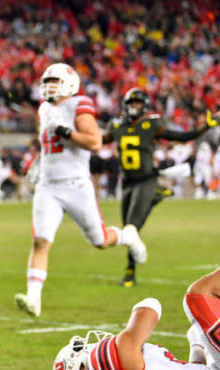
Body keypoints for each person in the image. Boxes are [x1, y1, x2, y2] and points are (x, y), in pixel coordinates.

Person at [14, 63, 146, 318]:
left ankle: (127, 235)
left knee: (99, 240)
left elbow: (94, 141)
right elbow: (50, 145)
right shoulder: (44, 108)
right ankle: (33, 298)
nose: (49, 86)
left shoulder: (79, 104)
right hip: (48, 185)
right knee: (40, 240)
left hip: (76, 185)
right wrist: (38, 162)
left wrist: (65, 131)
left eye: (55, 81)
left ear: (69, 84)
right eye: (47, 81)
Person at [53, 255, 220, 370]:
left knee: (201, 331)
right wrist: (147, 306)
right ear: (78, 368)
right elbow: (148, 310)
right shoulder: (101, 365)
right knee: (198, 297)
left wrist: (197, 346)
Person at [102, 88, 220, 287]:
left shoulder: (151, 124)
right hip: (128, 182)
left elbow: (181, 137)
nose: (133, 107)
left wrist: (204, 127)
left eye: (137, 103)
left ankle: (130, 272)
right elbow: (97, 140)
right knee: (129, 230)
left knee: (132, 228)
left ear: (145, 106)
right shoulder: (116, 126)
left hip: (146, 179)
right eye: (131, 103)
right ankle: (156, 196)